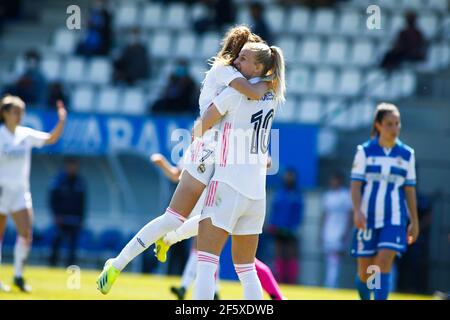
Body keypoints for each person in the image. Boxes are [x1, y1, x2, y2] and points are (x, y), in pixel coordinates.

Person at [96, 25, 272, 295]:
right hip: (206, 149)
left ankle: (170, 240)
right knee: (174, 216)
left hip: (226, 152)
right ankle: (117, 263)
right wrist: (268, 79)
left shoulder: (239, 76)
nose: (240, 61)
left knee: (210, 216)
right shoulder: (226, 71)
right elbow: (252, 91)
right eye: (242, 55)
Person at [192, 42, 286, 300]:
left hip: (227, 184)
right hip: (256, 194)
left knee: (206, 263)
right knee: (246, 269)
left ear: (258, 66)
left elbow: (199, 129)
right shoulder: (271, 93)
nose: (235, 63)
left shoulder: (233, 94)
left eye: (243, 59)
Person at [154, 156, 285, 300]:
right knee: (245, 266)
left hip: (223, 201)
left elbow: (266, 161)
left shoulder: (219, 141)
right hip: (238, 202)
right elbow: (266, 161)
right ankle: (204, 288)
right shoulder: (199, 149)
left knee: (210, 259)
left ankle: (188, 283)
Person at [350, 102, 420, 300]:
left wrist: (413, 220)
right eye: (389, 123)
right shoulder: (365, 151)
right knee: (366, 272)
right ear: (378, 125)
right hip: (368, 217)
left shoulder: (407, 154)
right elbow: (355, 185)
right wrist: (357, 211)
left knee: (383, 261)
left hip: (394, 217)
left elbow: (410, 189)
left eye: (397, 123)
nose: (394, 128)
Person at [0, 95, 67, 292]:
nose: (19, 116)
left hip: (20, 190)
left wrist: (61, 120)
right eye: (15, 112)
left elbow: (51, 139)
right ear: (5, 113)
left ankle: (18, 276)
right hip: (1, 189)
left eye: (21, 112)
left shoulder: (25, 134)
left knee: (26, 233)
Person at [150, 153, 220, 300]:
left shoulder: (219, 147)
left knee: (203, 249)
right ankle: (212, 290)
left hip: (211, 207)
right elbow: (176, 174)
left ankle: (186, 287)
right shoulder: (193, 150)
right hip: (197, 208)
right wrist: (162, 163)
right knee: (206, 250)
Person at [48, 157, 87, 267]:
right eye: (70, 165)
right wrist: (56, 215)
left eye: (74, 166)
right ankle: (52, 266)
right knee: (56, 243)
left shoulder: (80, 182)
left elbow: (83, 203)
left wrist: (82, 218)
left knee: (72, 247)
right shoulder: (58, 181)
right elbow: (52, 200)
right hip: (61, 219)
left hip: (75, 220)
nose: (72, 168)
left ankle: (70, 268)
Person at [267, 169, 303, 284]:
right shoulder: (279, 193)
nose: (288, 179)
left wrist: (295, 228)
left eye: (291, 176)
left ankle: (291, 281)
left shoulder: (297, 195)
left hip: (291, 230)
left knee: (291, 255)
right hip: (278, 229)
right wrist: (272, 224)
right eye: (287, 176)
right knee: (278, 254)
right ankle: (279, 279)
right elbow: (274, 211)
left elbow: (298, 214)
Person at [320, 172, 352, 288]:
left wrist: (346, 232)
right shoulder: (328, 195)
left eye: (335, 180)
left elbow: (349, 215)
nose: (332, 182)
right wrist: (322, 232)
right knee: (329, 258)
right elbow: (324, 214)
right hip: (328, 230)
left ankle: (332, 284)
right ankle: (329, 283)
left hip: (340, 230)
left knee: (335, 258)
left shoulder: (345, 195)